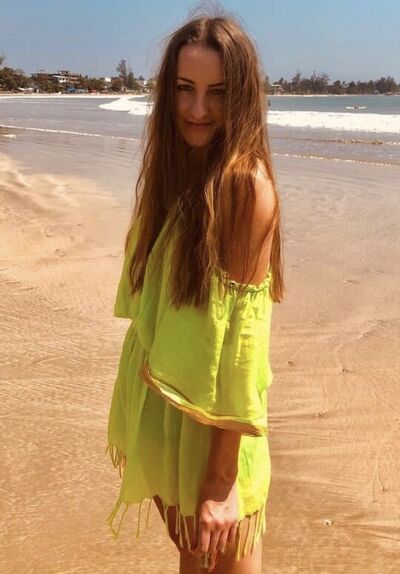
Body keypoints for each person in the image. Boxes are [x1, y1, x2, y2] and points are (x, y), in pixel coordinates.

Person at [105, 9, 284, 574]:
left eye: (218, 93)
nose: (198, 109)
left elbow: (243, 344)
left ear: (244, 96)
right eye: (185, 89)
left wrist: (222, 481)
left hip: (215, 431)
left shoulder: (244, 186)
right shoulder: (175, 169)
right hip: (163, 407)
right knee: (196, 560)